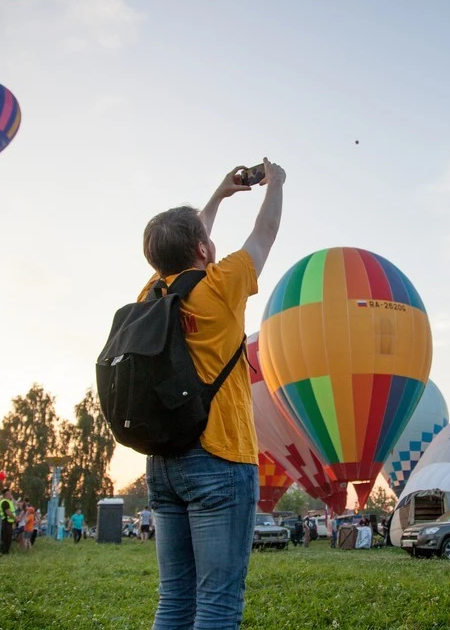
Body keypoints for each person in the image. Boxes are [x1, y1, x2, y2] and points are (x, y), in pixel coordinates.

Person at [143, 158, 285, 630]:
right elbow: (263, 237)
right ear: (204, 249)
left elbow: (178, 246)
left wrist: (219, 196)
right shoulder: (221, 286)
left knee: (174, 601)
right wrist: (275, 185)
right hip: (219, 457)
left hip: (163, 461)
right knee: (219, 604)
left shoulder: (151, 294)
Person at [0, 487, 15, 555]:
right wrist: (15, 518)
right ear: (6, 493)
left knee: (8, 538)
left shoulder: (9, 501)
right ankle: (4, 553)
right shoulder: (5, 502)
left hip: (9, 522)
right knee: (6, 539)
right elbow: (8, 512)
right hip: (6, 522)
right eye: (10, 492)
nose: (11, 494)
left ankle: (6, 552)